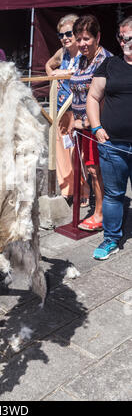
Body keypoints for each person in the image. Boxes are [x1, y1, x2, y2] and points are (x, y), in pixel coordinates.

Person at [86, 16, 132, 259]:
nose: (125, 42)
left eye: (130, 37)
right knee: (114, 195)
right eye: (122, 37)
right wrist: (96, 128)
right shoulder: (110, 65)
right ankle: (111, 239)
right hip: (112, 144)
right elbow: (93, 97)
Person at [69, 14, 112, 232]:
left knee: (97, 170)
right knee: (90, 168)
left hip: (97, 126)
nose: (82, 43)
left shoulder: (104, 60)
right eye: (79, 39)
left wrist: (86, 122)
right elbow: (76, 92)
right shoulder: (82, 59)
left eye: (86, 38)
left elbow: (103, 98)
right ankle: (98, 208)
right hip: (81, 126)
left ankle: (101, 213)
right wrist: (72, 119)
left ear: (97, 37)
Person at [45, 14, 82, 204]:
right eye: (61, 35)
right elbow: (48, 65)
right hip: (60, 108)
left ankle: (82, 191)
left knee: (78, 152)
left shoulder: (84, 53)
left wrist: (65, 73)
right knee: (60, 150)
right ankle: (67, 190)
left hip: (77, 109)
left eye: (69, 33)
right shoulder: (62, 53)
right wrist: (54, 75)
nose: (65, 38)